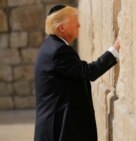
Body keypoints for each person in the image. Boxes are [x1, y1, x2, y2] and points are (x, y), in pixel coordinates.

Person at [34, 4, 120, 141]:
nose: (79, 25)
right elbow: (88, 72)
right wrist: (116, 48)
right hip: (60, 130)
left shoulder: (52, 46)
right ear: (61, 28)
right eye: (74, 22)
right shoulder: (58, 51)